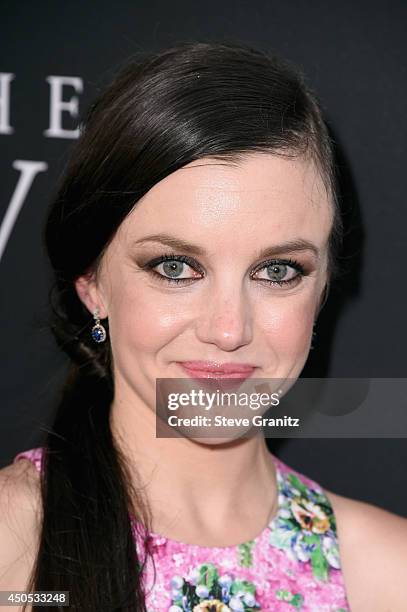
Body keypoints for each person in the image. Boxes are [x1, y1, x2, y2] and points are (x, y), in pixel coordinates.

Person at [0, 40, 406, 612]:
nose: (228, 328)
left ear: (323, 288)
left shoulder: (390, 577)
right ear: (91, 284)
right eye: (175, 267)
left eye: (277, 269)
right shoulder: (13, 557)